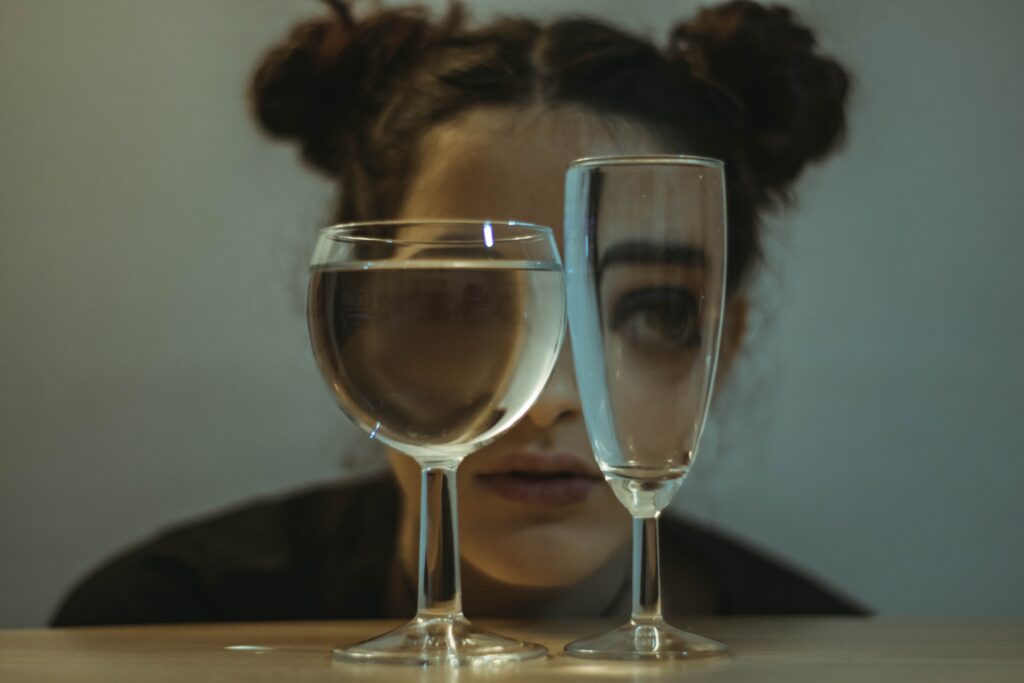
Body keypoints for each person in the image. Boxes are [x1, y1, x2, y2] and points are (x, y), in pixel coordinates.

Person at [52, 0, 862, 626]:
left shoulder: (840, 649)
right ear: (358, 331)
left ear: (724, 346)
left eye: (654, 310)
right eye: (463, 300)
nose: (549, 398)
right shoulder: (155, 626)